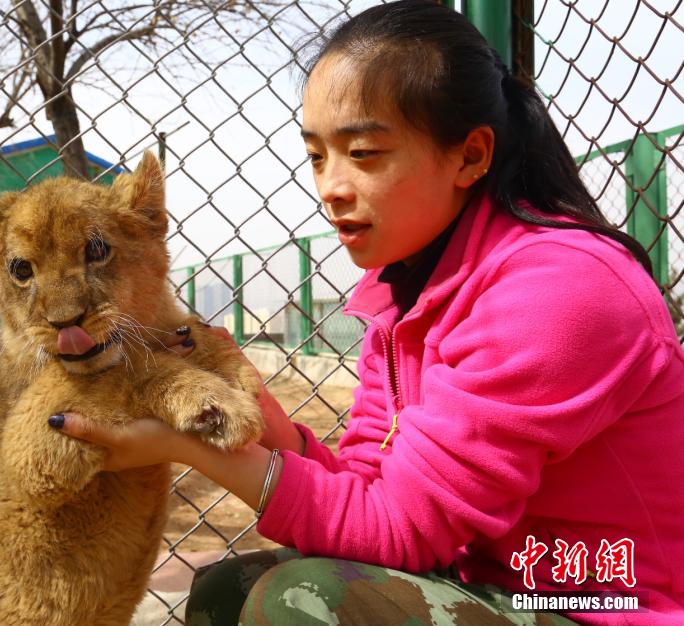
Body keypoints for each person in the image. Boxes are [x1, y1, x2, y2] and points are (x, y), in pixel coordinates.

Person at [53, 1, 684, 623]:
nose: (330, 186)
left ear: (469, 155)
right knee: (230, 587)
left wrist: (194, 447)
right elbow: (369, 483)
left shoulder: (556, 289)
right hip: (499, 583)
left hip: (610, 603)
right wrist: (260, 416)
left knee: (303, 602)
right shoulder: (409, 287)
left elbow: (399, 530)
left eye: (364, 153)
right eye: (317, 156)